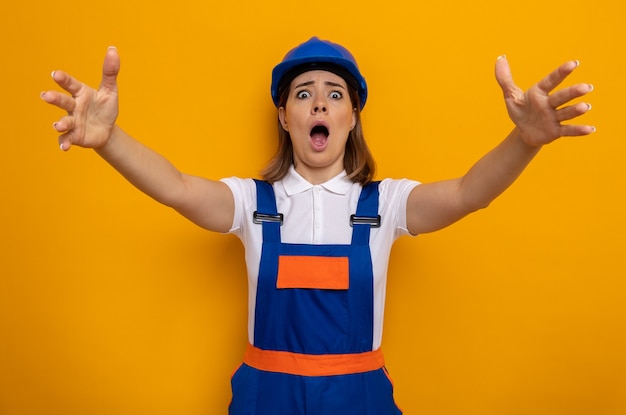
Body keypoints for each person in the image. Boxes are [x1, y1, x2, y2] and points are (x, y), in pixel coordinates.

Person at [41, 37, 595, 414]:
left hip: (359, 398)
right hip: (266, 398)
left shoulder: (386, 205)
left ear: (352, 116)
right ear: (285, 117)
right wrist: (109, 140)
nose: (319, 105)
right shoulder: (251, 203)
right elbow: (176, 187)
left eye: (335, 95)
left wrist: (524, 142)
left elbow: (469, 193)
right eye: (302, 95)